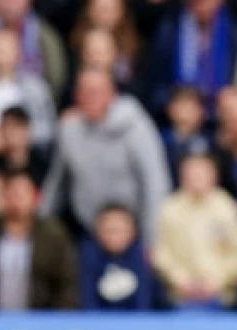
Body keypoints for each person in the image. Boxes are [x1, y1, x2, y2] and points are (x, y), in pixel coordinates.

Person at [41, 68, 172, 246]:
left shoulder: (136, 126)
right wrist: (37, 225)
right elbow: (57, 185)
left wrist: (152, 240)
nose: (90, 97)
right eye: (84, 91)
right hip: (88, 231)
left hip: (133, 234)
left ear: (112, 94)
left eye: (96, 92)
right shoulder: (69, 129)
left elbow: (155, 183)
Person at [0, 168, 77, 310]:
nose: (17, 200)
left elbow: (66, 284)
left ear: (34, 197)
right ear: (3, 197)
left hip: (42, 322)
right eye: (12, 193)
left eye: (22, 194)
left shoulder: (53, 236)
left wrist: (55, 319)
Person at [153, 152, 237, 308]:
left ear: (214, 175)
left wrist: (217, 281)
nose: (196, 177)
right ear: (182, 176)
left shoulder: (226, 208)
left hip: (220, 295)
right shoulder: (170, 208)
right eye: (191, 172)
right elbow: (161, 253)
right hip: (179, 295)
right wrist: (181, 280)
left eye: (202, 172)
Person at [79, 203, 152, 311]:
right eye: (110, 230)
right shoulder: (89, 255)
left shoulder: (139, 255)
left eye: (120, 230)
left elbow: (144, 300)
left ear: (133, 232)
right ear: (97, 232)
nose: (114, 237)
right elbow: (87, 298)